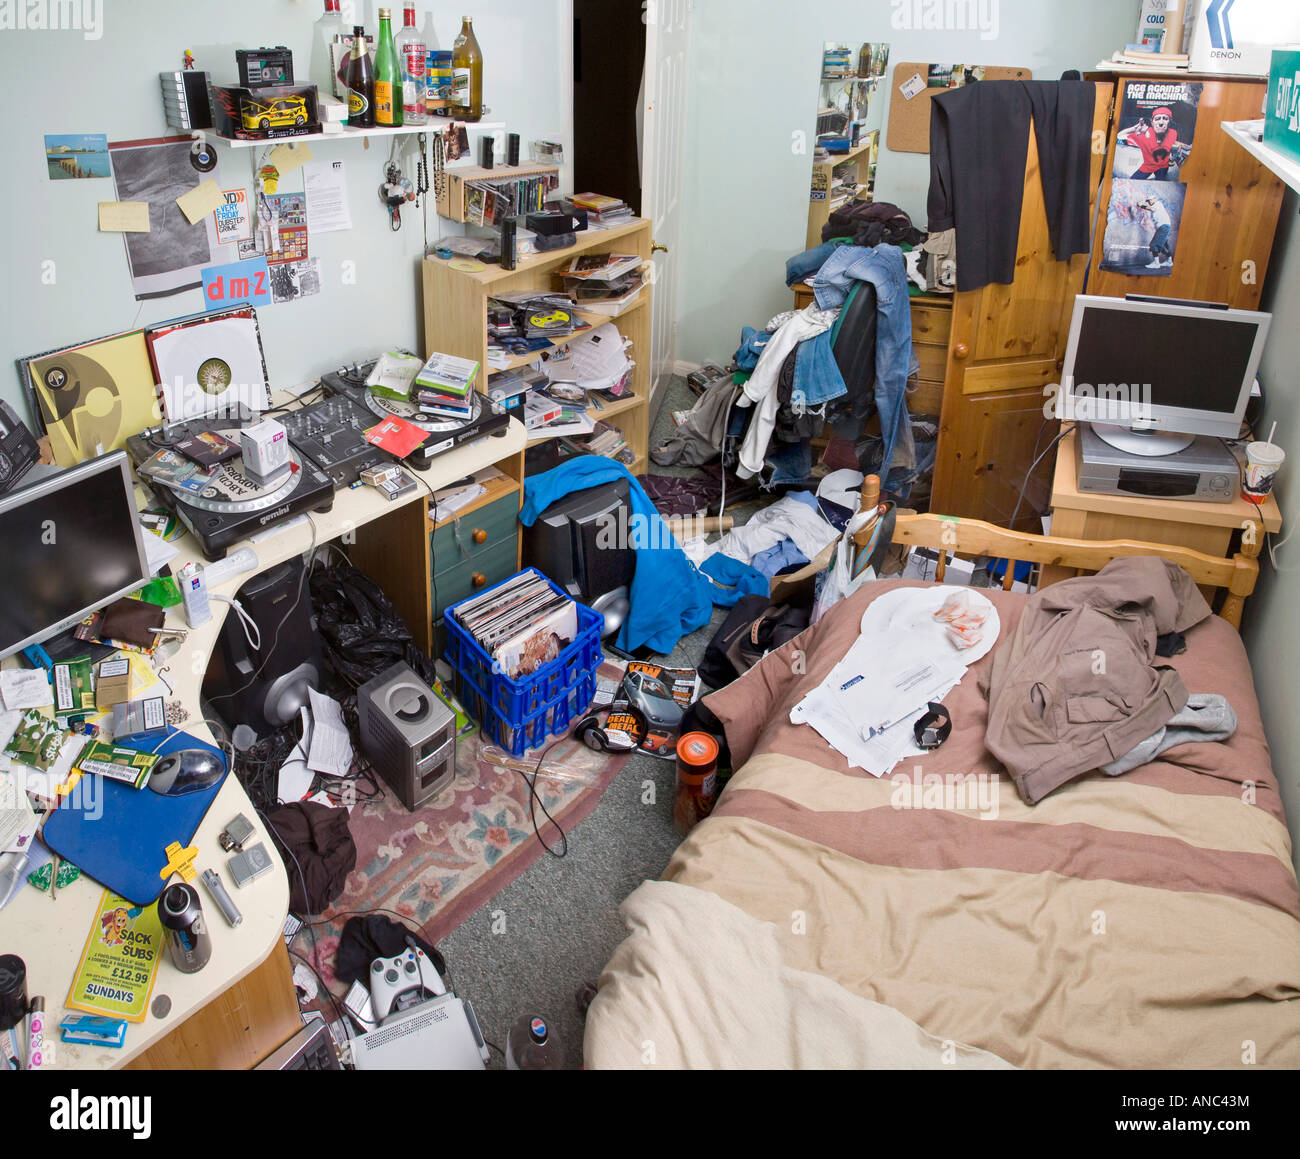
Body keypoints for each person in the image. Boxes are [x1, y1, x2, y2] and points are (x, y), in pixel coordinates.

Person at [1119, 106, 1179, 180]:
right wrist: (1133, 129)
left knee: (1160, 182)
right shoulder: (1143, 135)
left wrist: (1172, 158)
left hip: (1163, 167)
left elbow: (1175, 145)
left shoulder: (1173, 133)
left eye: (1165, 119)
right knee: (1132, 182)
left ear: (1170, 121)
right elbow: (1119, 136)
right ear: (1152, 122)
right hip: (1147, 167)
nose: (1161, 123)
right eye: (1157, 119)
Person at [1138, 195, 1174, 269]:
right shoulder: (1155, 206)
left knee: (1153, 244)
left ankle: (1156, 263)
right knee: (1163, 246)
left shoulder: (1158, 203)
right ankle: (1169, 261)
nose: (1149, 201)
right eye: (1148, 200)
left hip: (1164, 227)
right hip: (1163, 227)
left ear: (1155, 199)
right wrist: (1144, 202)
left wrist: (1141, 205)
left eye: (1151, 200)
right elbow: (1149, 208)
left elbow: (1151, 208)